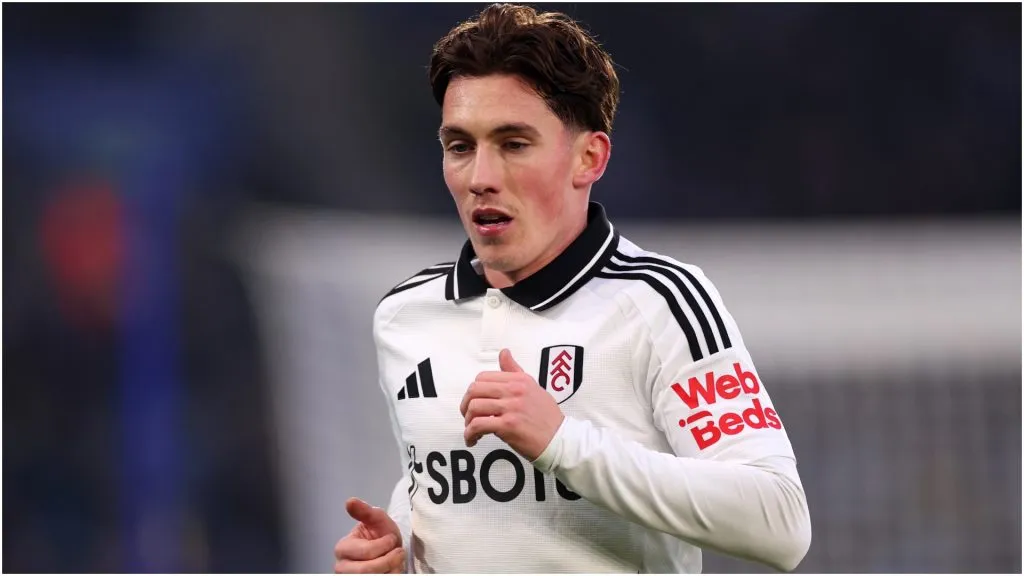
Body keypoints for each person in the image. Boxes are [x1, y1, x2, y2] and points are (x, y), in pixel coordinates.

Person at [333, 3, 811, 573]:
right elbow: (442, 496)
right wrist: (398, 552)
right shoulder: (404, 314)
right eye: (460, 147)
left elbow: (780, 520)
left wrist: (562, 443)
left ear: (589, 157)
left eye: (513, 144)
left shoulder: (658, 301)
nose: (481, 177)